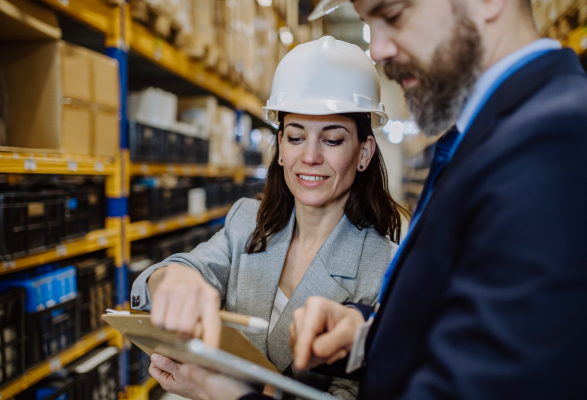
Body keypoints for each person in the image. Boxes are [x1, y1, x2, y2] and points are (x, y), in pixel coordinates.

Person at [165, 0, 587, 399]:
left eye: (393, 13)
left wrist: (231, 394)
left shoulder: (553, 143)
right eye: (295, 137)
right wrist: (366, 336)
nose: (379, 49)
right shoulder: (486, 136)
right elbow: (464, 325)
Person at [130, 36, 410, 400]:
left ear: (364, 152)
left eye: (333, 140)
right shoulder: (247, 222)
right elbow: (186, 269)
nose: (309, 157)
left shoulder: (385, 267)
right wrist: (173, 277)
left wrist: (219, 391)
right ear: (280, 149)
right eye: (295, 137)